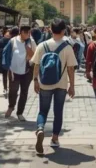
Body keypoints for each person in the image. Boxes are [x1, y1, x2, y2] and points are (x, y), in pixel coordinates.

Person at [30, 18, 77, 155]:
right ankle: (55, 138)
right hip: (61, 85)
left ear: (50, 29)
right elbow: (71, 69)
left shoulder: (42, 45)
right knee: (58, 111)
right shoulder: (67, 47)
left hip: (45, 83)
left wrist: (35, 80)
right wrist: (72, 86)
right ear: (64, 31)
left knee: (43, 111)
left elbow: (36, 65)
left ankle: (40, 129)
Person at [5, 25, 36, 122]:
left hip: (27, 71)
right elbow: (7, 54)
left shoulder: (31, 42)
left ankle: (20, 112)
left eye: (29, 33)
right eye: (25, 32)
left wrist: (27, 48)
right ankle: (11, 106)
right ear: (21, 32)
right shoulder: (13, 41)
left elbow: (35, 56)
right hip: (14, 71)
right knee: (13, 90)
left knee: (24, 91)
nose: (27, 35)